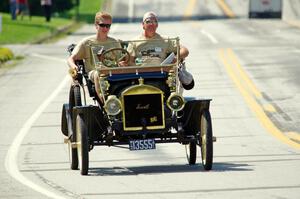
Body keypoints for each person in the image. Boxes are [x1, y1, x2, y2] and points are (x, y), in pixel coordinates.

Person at [127, 11, 194, 90]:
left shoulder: (165, 40)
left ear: (157, 25)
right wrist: (139, 65)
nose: (151, 24)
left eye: (154, 21)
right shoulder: (134, 41)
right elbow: (129, 62)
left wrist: (175, 58)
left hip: (161, 76)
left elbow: (185, 51)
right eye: (148, 21)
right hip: (141, 77)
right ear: (143, 25)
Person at [67, 11, 122, 102]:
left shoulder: (115, 42)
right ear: (96, 25)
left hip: (113, 71)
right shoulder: (87, 42)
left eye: (108, 26)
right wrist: (74, 67)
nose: (105, 28)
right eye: (102, 25)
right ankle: (105, 104)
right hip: (95, 72)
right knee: (98, 74)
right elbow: (71, 59)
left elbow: (121, 60)